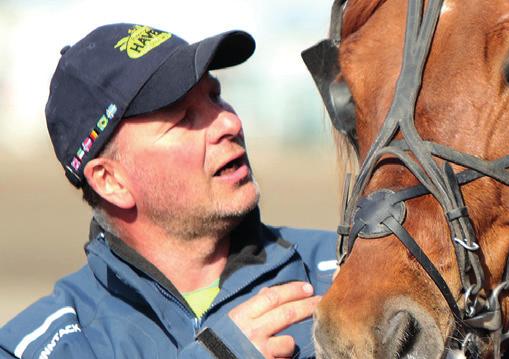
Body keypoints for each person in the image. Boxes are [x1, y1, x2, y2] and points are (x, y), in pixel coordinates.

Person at [0, 23, 336, 359]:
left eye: (215, 96)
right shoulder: (40, 346)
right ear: (110, 181)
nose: (229, 124)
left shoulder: (347, 273)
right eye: (184, 118)